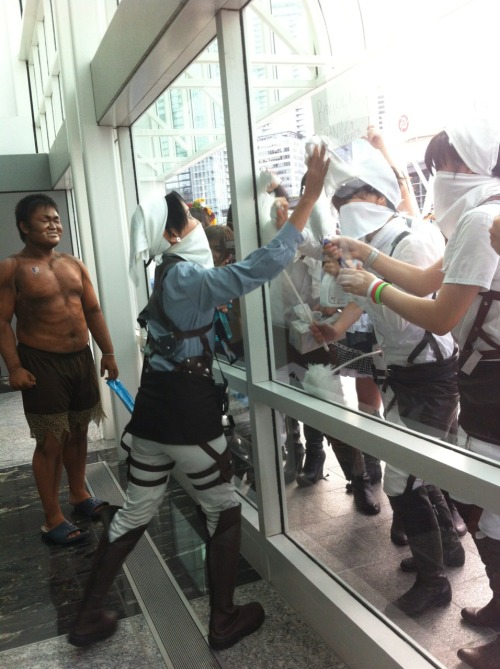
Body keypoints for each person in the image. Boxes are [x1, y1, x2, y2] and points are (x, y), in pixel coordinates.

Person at [68, 145, 330, 650]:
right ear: (170, 234)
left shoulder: (165, 271)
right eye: (188, 218)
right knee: (224, 509)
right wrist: (307, 199)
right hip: (188, 415)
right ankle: (224, 619)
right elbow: (257, 269)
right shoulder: (186, 276)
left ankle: (86, 616)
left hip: (152, 415)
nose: (194, 223)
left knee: (134, 511)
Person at [331, 116, 500, 668]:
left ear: (463, 163)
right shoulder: (477, 216)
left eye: (439, 165)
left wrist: (373, 283)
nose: (435, 177)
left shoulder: (479, 218)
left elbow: (441, 311)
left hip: (478, 380)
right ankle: (491, 597)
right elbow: (430, 279)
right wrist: (367, 255)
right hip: (475, 379)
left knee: (482, 504)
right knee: (470, 494)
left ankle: (468, 604)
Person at [312, 138, 464, 617]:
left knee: (402, 478)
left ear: (380, 195)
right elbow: (370, 295)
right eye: (340, 200)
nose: (346, 205)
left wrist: (368, 285)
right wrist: (337, 323)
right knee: (417, 469)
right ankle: (446, 551)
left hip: (431, 373)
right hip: (403, 370)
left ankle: (434, 580)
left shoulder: (412, 237)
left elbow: (419, 305)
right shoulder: (377, 241)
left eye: (355, 194)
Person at [0, 193, 119, 546]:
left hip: (80, 358)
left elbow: (94, 312)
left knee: (80, 431)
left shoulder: (74, 264)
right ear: (24, 226)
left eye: (56, 218)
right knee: (51, 441)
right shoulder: (12, 267)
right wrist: (15, 367)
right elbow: (2, 322)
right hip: (41, 361)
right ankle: (52, 518)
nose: (54, 224)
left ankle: (79, 495)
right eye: (44, 219)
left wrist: (108, 352)